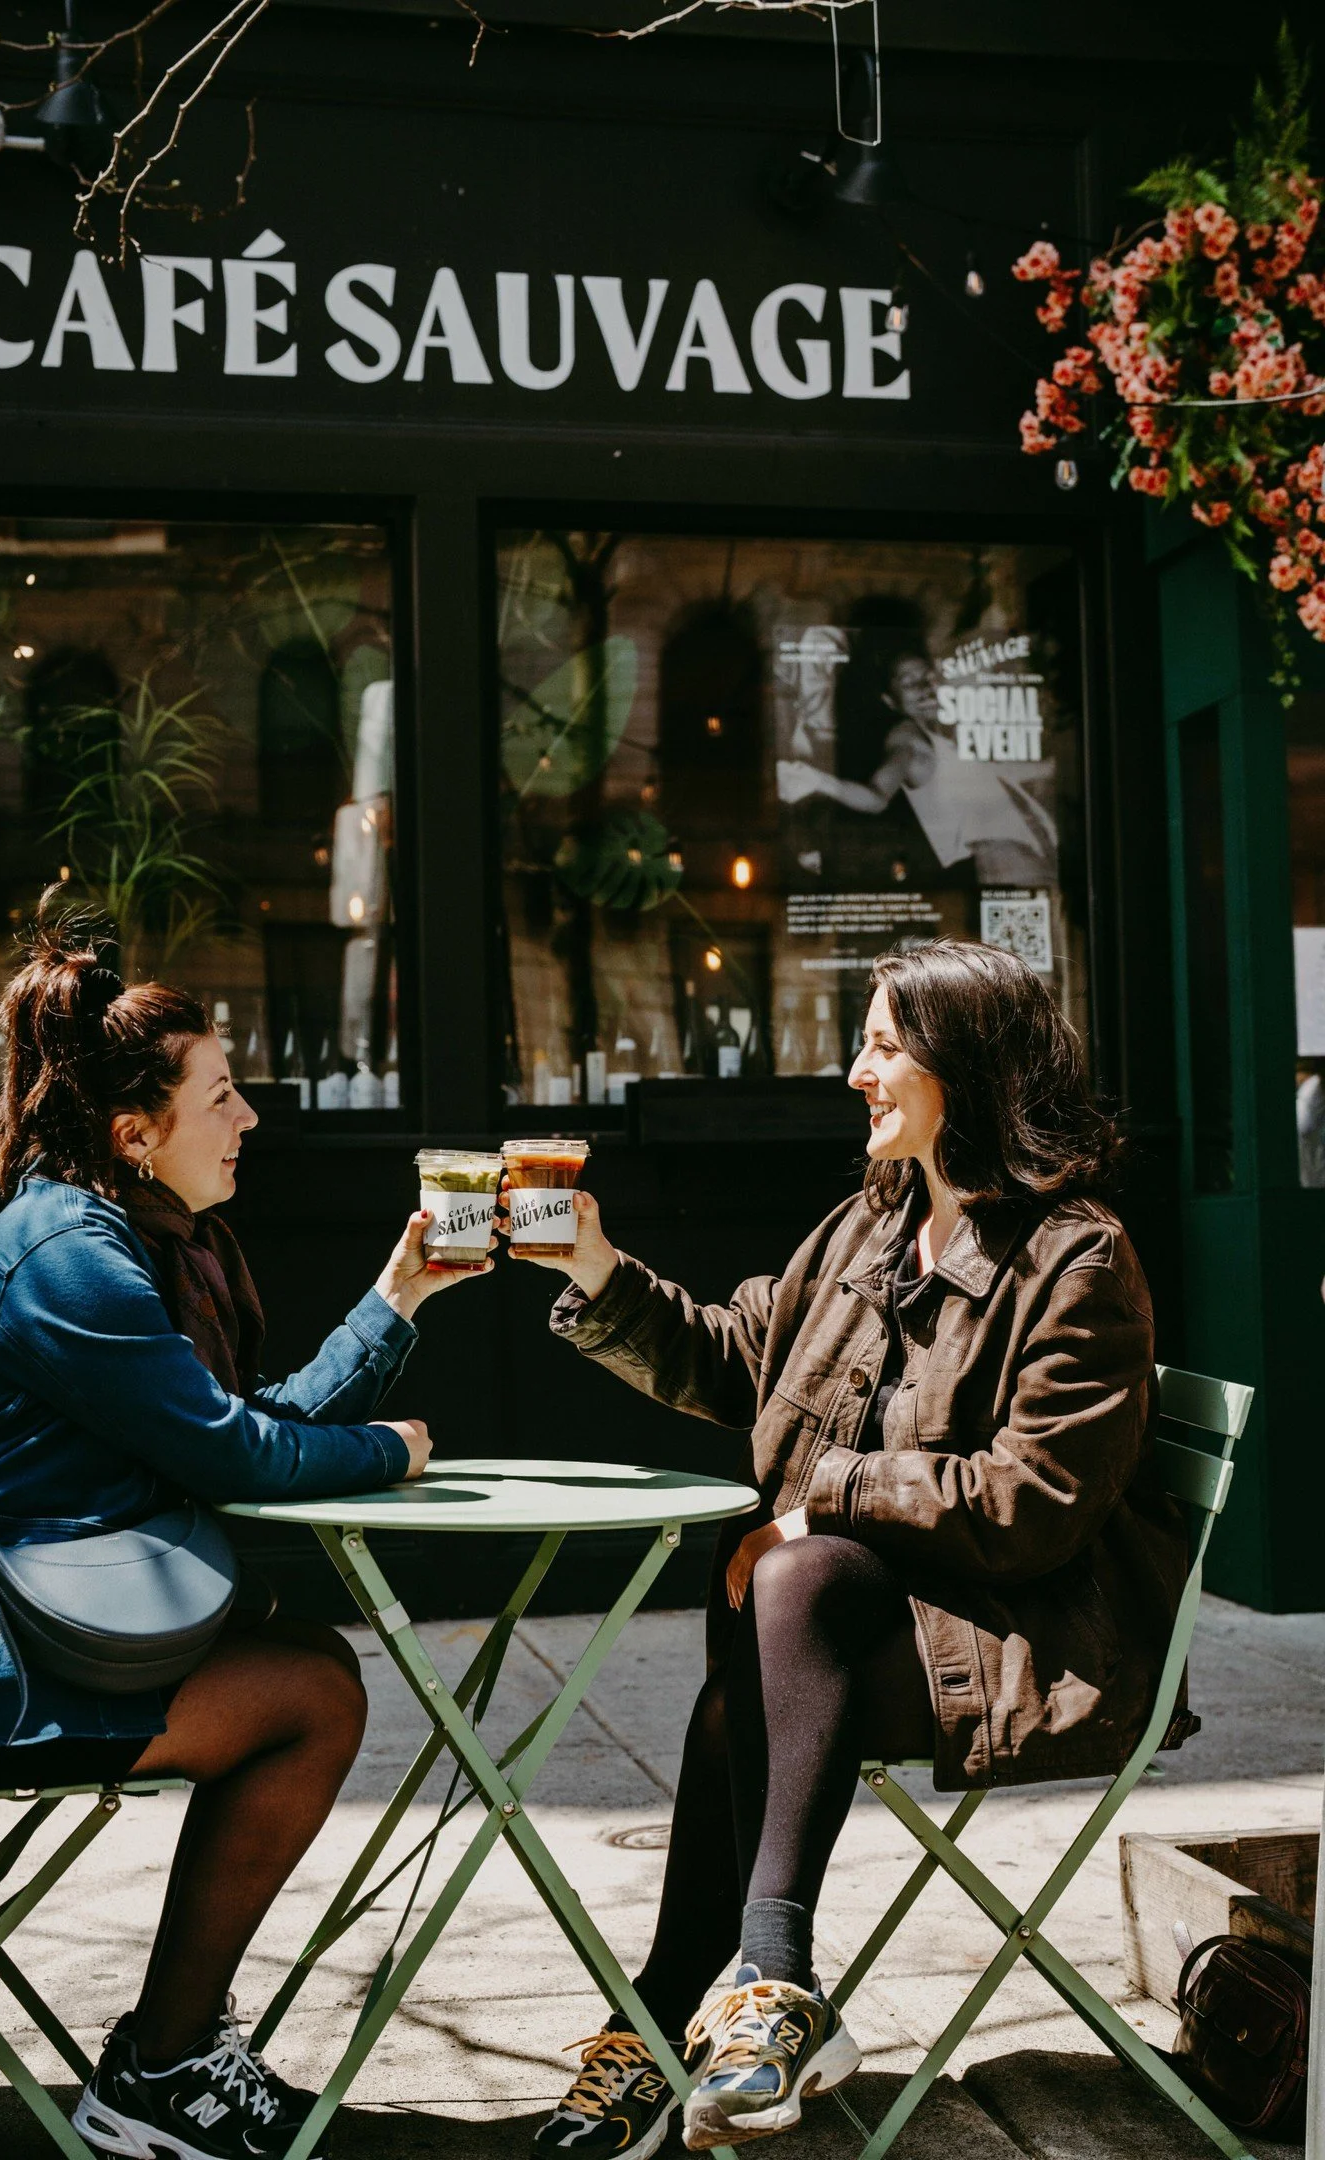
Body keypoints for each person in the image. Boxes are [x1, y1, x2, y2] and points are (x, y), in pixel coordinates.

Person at [516, 938, 1189, 2157]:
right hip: (854, 1630)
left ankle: (758, 1986)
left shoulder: (1076, 1259)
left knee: (795, 1575)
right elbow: (741, 1359)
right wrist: (592, 1266)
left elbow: (1033, 1499)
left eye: (883, 1045)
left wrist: (822, 1493)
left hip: (1023, 1640)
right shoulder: (869, 1229)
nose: (854, 1073)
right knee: (759, 1662)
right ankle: (715, 2008)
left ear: (964, 1069)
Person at [0, 902, 488, 2160]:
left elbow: (227, 1434)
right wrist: (396, 1451)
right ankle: (161, 2070)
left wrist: (396, 1300)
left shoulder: (120, 1239)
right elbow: (235, 1454)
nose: (249, 1117)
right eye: (222, 1096)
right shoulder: (67, 1258)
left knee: (309, 1668)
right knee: (312, 1694)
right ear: (134, 1130)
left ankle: (168, 2058)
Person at [778, 649, 1059, 889]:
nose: (924, 688)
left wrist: (1051, 764)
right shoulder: (907, 737)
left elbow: (1003, 773)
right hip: (1004, 857)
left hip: (1026, 854)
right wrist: (817, 780)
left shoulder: (942, 740)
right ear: (891, 700)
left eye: (928, 678)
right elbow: (876, 797)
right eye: (909, 683)